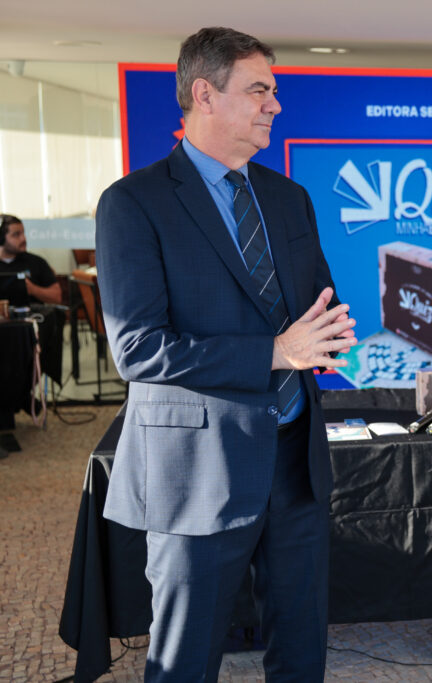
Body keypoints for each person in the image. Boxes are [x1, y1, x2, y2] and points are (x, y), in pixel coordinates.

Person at [95, 27, 356, 681]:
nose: (275, 104)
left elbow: (314, 303)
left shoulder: (289, 198)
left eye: (274, 90)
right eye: (259, 89)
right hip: (197, 472)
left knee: (302, 654)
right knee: (184, 661)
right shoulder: (133, 203)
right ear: (205, 94)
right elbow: (137, 349)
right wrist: (276, 352)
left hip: (295, 462)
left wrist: (327, 332)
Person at [0, 214, 62, 306]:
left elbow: (57, 297)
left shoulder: (36, 262)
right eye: (16, 235)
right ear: (1, 239)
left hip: (33, 313)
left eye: (23, 233)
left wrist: (33, 289)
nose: (23, 238)